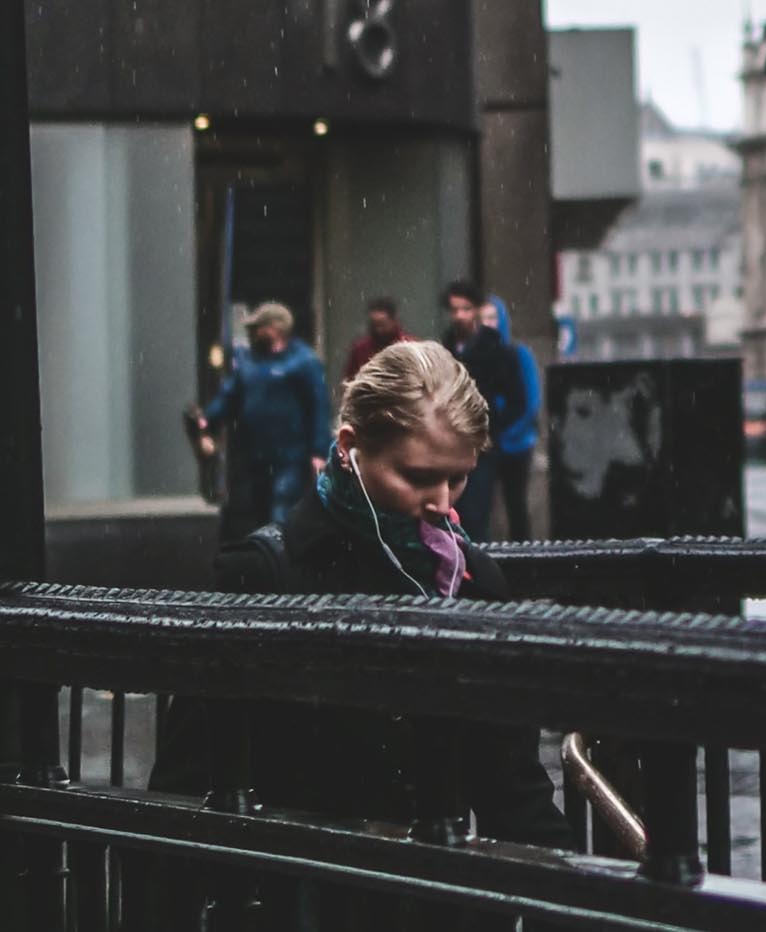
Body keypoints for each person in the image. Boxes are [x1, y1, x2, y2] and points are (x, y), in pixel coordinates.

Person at [152, 341, 567, 912]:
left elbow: (511, 788)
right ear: (349, 449)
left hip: (427, 907)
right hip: (299, 904)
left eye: (459, 479)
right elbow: (184, 783)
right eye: (419, 476)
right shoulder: (267, 574)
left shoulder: (473, 581)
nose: (443, 505)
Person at [190, 301, 329, 540]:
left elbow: (319, 407)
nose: (253, 333)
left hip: (290, 454)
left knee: (281, 508)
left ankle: (280, 562)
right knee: (258, 511)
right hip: (255, 454)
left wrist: (319, 450)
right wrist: (208, 420)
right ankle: (265, 561)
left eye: (259, 327)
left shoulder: (303, 362)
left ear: (276, 328)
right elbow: (229, 396)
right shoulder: (249, 362)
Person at [442, 276, 525, 539]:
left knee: (477, 513)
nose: (459, 316)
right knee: (457, 512)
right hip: (452, 440)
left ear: (476, 310)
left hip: (481, 443)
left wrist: (492, 429)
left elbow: (517, 398)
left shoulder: (496, 349)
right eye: (455, 310)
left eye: (465, 309)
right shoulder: (447, 346)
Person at [485, 293, 543, 541]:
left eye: (492, 317)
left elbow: (531, 402)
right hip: (489, 445)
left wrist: (507, 434)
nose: (488, 323)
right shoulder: (480, 356)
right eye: (483, 318)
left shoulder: (519, 355)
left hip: (516, 444)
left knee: (516, 505)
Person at [343, 294, 411, 385]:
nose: (378, 330)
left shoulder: (409, 346)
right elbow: (350, 381)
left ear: (393, 321)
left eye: (382, 325)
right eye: (374, 325)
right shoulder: (361, 349)